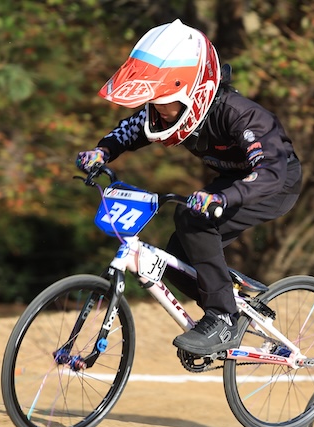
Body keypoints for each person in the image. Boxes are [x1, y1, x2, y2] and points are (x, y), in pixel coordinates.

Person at [76, 19, 302, 355]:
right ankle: (232, 300)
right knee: (176, 259)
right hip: (232, 183)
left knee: (191, 220)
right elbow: (129, 130)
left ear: (196, 92)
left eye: (164, 99)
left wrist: (224, 197)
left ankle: (222, 318)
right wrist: (102, 151)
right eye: (154, 100)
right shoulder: (164, 112)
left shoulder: (240, 115)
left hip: (275, 184)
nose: (159, 110)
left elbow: (270, 171)